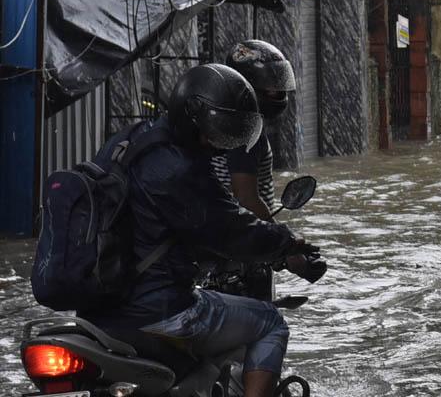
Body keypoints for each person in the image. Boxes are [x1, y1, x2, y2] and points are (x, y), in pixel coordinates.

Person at [82, 63, 321, 397]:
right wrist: (287, 244)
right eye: (214, 133)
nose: (216, 144)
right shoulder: (180, 168)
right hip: (159, 310)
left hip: (96, 310)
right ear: (190, 119)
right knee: (270, 322)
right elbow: (233, 228)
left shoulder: (124, 144)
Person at [210, 40, 296, 222]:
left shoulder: (219, 118)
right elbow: (246, 199)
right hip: (243, 235)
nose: (278, 91)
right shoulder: (246, 129)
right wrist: (281, 240)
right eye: (270, 84)